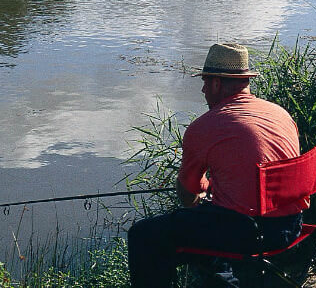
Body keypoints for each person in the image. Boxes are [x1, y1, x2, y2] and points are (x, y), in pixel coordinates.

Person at [127, 43, 306, 288]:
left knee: (144, 235)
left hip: (251, 235)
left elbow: (189, 194)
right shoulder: (280, 114)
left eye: (205, 81)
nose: (202, 89)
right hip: (291, 227)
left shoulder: (205, 126)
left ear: (216, 84)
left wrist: (200, 195)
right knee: (213, 219)